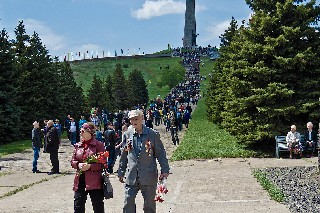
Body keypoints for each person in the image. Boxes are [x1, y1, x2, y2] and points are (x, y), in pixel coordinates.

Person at [118, 109, 170, 213]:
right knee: (128, 201)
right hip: (131, 175)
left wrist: (165, 170)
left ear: (142, 118)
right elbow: (124, 154)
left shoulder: (152, 134)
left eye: (136, 119)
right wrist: (121, 171)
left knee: (149, 204)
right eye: (131, 119)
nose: (133, 122)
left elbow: (160, 153)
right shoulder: (127, 134)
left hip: (148, 175)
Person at [71, 122, 106, 213]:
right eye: (80, 131)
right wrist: (78, 165)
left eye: (82, 131)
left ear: (89, 132)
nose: (80, 133)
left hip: (95, 180)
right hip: (80, 179)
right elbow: (72, 161)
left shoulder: (99, 145)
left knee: (98, 206)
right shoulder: (78, 145)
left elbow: (103, 164)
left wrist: (90, 166)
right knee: (78, 206)